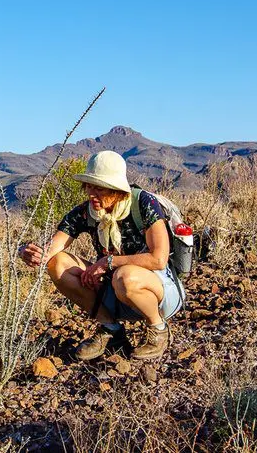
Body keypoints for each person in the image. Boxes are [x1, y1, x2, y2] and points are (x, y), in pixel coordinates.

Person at [19, 150, 184, 361]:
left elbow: (158, 259)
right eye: (88, 186)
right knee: (57, 263)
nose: (91, 193)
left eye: (98, 188)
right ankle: (111, 330)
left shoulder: (143, 203)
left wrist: (108, 262)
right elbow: (55, 245)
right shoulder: (86, 212)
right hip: (116, 291)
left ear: (116, 189)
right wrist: (34, 254)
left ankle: (158, 330)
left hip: (159, 292)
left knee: (125, 276)